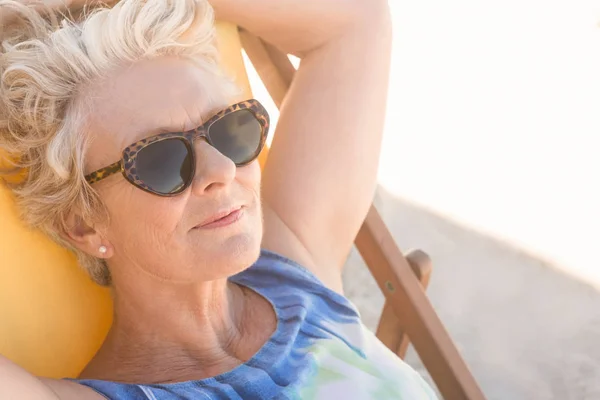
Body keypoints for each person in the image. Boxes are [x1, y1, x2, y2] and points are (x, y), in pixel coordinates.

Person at [0, 0, 437, 398]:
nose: (222, 171)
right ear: (84, 224)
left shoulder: (294, 272)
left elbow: (356, 18)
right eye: (161, 158)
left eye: (230, 129)